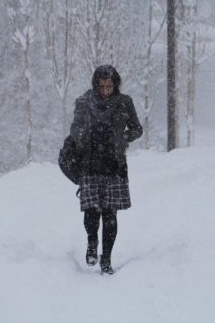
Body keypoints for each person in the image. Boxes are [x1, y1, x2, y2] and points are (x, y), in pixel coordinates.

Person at [69, 65, 143, 275]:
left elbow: (137, 128)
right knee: (91, 210)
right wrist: (84, 137)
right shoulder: (83, 102)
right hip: (90, 163)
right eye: (101, 86)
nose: (105, 90)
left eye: (109, 86)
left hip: (115, 164)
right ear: (95, 85)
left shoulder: (124, 103)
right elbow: (74, 128)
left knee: (110, 213)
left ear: (116, 85)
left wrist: (122, 138)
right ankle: (92, 244)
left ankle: (106, 260)